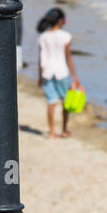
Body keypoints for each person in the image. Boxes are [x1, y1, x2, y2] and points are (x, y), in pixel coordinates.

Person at [36, 8, 81, 138]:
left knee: (51, 102)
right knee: (65, 102)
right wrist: (74, 76)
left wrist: (39, 76)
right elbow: (68, 58)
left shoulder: (43, 37)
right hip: (62, 72)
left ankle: (51, 131)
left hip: (47, 72)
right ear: (61, 21)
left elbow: (40, 59)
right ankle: (64, 129)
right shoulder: (65, 36)